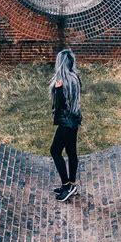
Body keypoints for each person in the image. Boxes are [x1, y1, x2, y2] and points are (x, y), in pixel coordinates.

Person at [49, 48, 82, 202]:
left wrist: (58, 89)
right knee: (71, 152)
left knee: (55, 151)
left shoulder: (62, 81)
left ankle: (66, 185)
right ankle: (72, 185)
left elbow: (61, 105)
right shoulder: (75, 78)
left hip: (66, 122)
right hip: (75, 120)